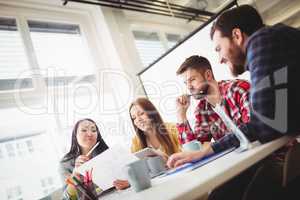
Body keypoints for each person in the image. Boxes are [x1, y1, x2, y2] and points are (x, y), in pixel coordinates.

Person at [176, 55, 250, 146]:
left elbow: (253, 129)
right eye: (186, 83)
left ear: (208, 75)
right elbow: (195, 150)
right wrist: (181, 116)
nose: (189, 87)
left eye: (192, 80)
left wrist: (214, 148)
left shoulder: (238, 90)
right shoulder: (202, 110)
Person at [60, 118, 129, 199]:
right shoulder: (66, 164)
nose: (90, 133)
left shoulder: (109, 155)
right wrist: (75, 176)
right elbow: (66, 198)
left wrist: (128, 183)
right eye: (84, 130)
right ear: (75, 135)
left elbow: (130, 178)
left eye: (93, 130)